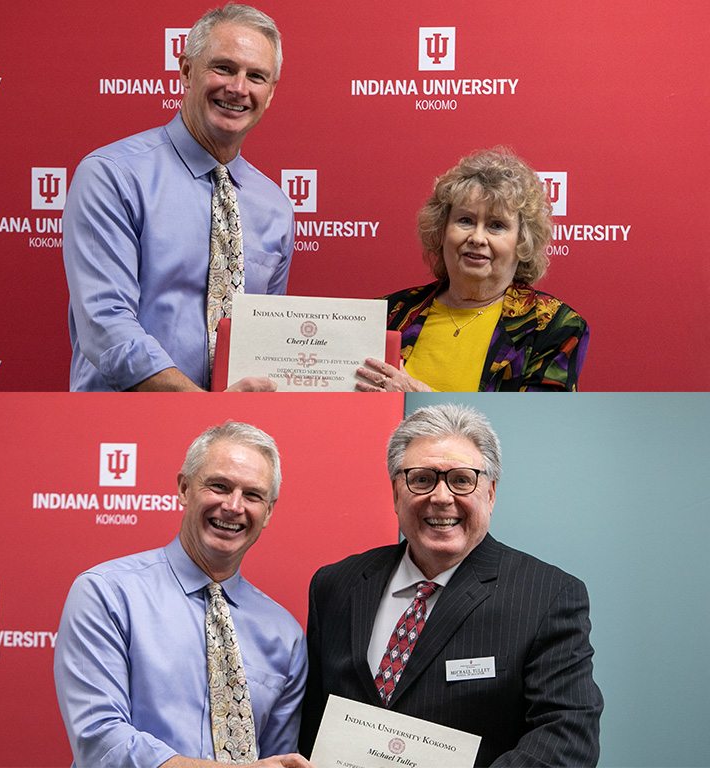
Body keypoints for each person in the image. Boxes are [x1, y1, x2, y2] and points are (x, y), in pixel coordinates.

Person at [299, 403, 603, 767]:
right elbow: (313, 723)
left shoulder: (548, 596)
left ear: (490, 493)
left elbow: (567, 737)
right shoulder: (335, 585)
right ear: (396, 492)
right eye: (421, 479)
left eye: (461, 480)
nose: (441, 497)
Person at [55, 422, 314, 768]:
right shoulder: (107, 594)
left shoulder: (285, 635)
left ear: (268, 511)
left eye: (253, 495)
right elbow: (101, 744)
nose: (233, 506)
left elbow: (278, 762)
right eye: (219, 486)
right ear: (184, 488)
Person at [63, 4, 294, 392]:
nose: (238, 88)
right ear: (186, 71)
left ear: (270, 94)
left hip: (234, 427)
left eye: (256, 76)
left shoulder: (275, 207)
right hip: (123, 422)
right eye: (223, 68)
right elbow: (106, 326)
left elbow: (268, 343)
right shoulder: (112, 175)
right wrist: (201, 408)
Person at [357, 148, 589, 392]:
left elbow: (540, 416)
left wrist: (420, 398)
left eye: (496, 225)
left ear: (523, 241)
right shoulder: (388, 313)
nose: (477, 238)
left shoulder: (553, 325)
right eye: (465, 221)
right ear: (441, 231)